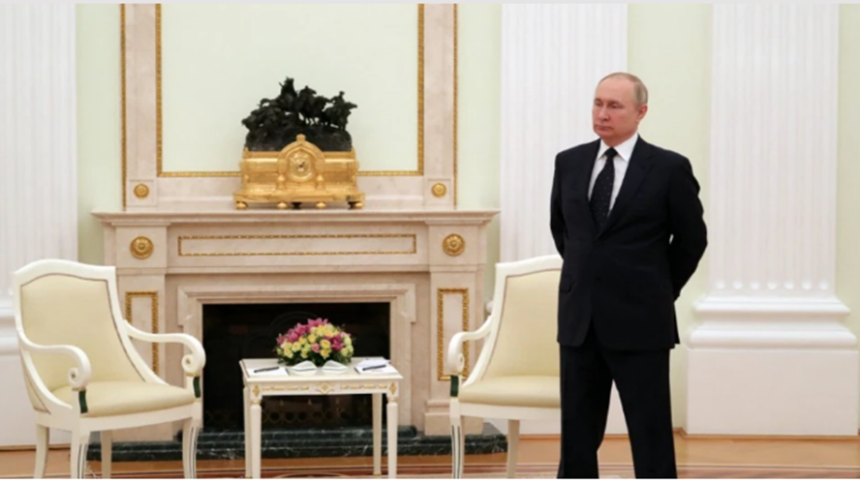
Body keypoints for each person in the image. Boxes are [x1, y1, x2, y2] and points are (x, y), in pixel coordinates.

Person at [549, 72, 707, 478]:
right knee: (577, 434)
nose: (603, 114)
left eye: (614, 106)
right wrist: (587, 281)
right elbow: (564, 232)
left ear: (641, 112)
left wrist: (659, 290)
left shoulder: (669, 168)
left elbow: (691, 240)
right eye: (598, 103)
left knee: (650, 431)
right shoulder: (569, 162)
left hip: (642, 320)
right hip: (580, 321)